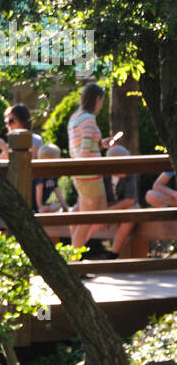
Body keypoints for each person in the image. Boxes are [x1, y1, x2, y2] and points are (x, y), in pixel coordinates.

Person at [66, 83, 123, 249]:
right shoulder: (89, 119)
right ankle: (73, 261)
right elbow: (84, 153)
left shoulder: (75, 118)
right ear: (97, 98)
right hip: (89, 175)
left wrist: (101, 144)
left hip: (81, 175)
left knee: (88, 217)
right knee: (88, 220)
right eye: (101, 101)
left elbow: (79, 148)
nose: (101, 106)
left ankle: (74, 257)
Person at [0, 105, 44, 216]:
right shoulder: (12, 142)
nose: (8, 125)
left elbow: (24, 165)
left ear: (23, 120)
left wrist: (4, 147)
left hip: (29, 191)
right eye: (6, 122)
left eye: (11, 121)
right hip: (13, 188)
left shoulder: (35, 140)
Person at [102, 145, 139, 258]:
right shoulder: (102, 174)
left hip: (120, 206)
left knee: (132, 213)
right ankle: (77, 254)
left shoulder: (129, 174)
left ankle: (113, 254)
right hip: (106, 205)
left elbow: (130, 200)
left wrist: (108, 212)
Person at [33, 143, 70, 238]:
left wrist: (64, 205)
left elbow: (56, 189)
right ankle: (39, 210)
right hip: (34, 205)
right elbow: (39, 188)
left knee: (58, 206)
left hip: (43, 205)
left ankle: (44, 210)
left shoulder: (53, 173)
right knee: (52, 208)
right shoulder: (41, 172)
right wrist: (39, 206)